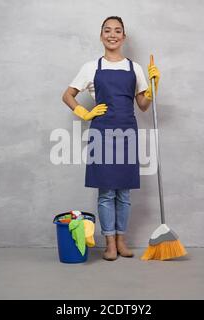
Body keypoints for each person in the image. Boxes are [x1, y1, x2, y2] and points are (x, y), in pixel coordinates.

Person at [62, 16, 160, 261]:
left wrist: (153, 88)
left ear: (124, 37)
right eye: (107, 31)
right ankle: (109, 244)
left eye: (117, 31)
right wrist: (84, 112)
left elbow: (143, 105)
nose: (112, 35)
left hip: (127, 131)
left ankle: (121, 240)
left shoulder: (134, 68)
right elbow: (68, 95)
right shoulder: (91, 67)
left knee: (124, 192)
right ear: (101, 35)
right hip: (102, 132)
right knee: (106, 191)